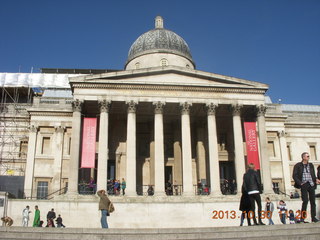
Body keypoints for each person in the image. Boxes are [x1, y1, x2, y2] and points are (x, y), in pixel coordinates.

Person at [293, 152, 320, 223]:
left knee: (313, 202)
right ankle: (302, 218)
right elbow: (294, 175)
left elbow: (313, 174)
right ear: (303, 157)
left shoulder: (310, 165)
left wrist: (316, 180)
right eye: (307, 156)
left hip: (311, 184)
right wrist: (300, 183)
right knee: (305, 201)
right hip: (304, 184)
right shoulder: (298, 165)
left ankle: (313, 217)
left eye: (309, 156)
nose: (308, 157)